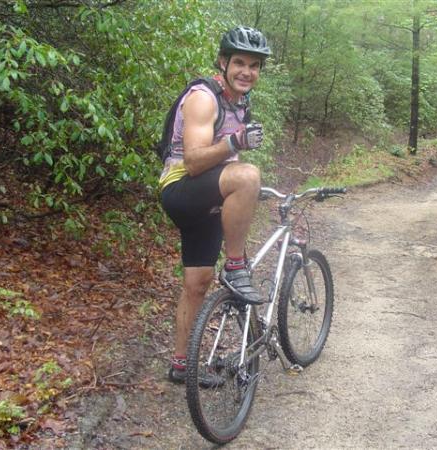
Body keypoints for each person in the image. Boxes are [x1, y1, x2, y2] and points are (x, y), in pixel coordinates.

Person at [159, 26, 271, 385]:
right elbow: (192, 162)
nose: (246, 72)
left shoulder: (239, 102)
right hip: (180, 188)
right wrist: (235, 143)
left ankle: (181, 365)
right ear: (222, 62)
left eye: (254, 66)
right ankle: (236, 267)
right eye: (239, 62)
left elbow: (223, 174)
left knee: (197, 282)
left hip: (206, 196)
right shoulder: (204, 98)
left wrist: (246, 192)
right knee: (247, 174)